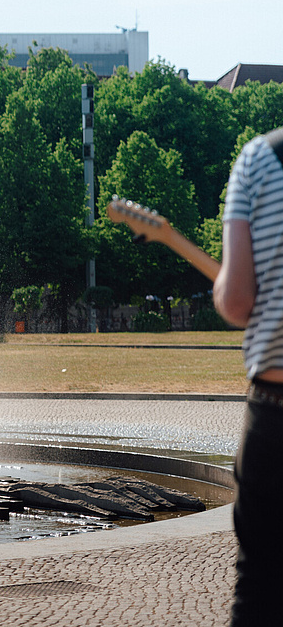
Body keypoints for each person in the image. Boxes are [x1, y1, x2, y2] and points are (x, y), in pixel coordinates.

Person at [214, 128, 283, 626]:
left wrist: (223, 287)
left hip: (276, 413)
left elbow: (237, 302)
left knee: (261, 589)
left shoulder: (259, 160)